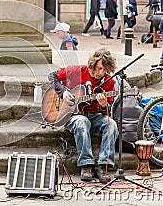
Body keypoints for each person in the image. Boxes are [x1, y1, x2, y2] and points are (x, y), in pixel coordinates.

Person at [48, 48, 118, 183]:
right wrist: (63, 92)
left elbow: (108, 110)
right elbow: (52, 76)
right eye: (99, 68)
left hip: (95, 115)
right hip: (72, 114)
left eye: (105, 70)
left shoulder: (109, 81)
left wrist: (104, 105)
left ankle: (103, 165)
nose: (101, 73)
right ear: (92, 65)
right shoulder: (77, 71)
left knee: (111, 124)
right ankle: (86, 165)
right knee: (82, 121)